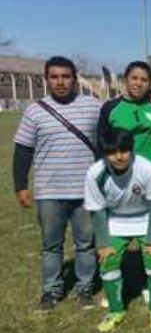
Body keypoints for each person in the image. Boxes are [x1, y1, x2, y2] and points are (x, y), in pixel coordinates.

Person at [13, 56, 100, 311]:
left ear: (75, 79)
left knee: (86, 243)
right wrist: (20, 186)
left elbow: (106, 141)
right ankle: (51, 291)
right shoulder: (34, 111)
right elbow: (23, 151)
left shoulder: (93, 106)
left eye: (65, 76)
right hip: (49, 191)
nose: (60, 82)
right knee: (51, 245)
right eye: (54, 77)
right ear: (47, 79)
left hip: (86, 191)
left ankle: (85, 288)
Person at [84, 129, 151, 331]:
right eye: (112, 152)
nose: (119, 157)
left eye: (124, 151)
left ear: (131, 150)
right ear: (104, 153)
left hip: (146, 217)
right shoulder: (95, 173)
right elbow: (97, 211)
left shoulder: (147, 169)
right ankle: (115, 310)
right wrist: (103, 244)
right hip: (115, 219)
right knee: (108, 260)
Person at [97, 61, 151, 172]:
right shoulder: (110, 108)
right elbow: (101, 144)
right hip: (122, 174)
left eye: (144, 80)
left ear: (149, 84)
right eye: (134, 78)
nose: (138, 83)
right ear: (125, 80)